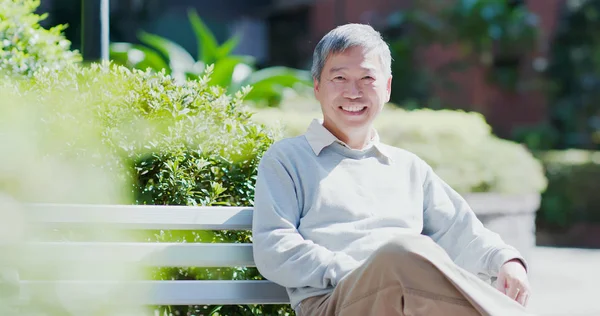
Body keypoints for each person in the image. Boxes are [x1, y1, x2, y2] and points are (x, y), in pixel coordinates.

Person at [252, 23, 532, 316]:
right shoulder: (287, 159)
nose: (353, 92)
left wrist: (506, 260)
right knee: (403, 252)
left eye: (367, 78)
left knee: (409, 255)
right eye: (339, 77)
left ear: (386, 88)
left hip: (408, 301)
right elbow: (274, 246)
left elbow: (462, 232)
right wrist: (356, 270)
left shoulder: (408, 167)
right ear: (318, 86)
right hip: (333, 303)